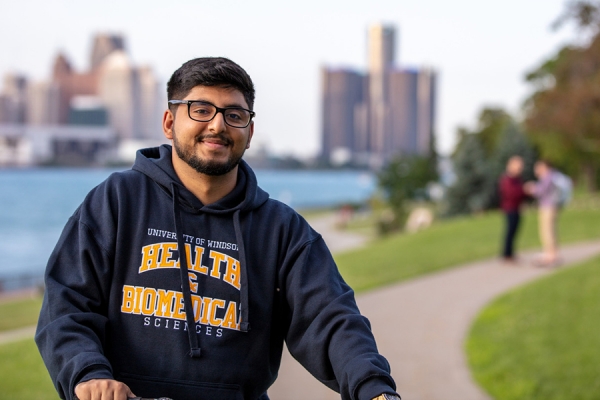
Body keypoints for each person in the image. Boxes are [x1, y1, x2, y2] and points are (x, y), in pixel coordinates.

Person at [35, 57, 400, 400]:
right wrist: (87, 374)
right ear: (169, 122)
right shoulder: (117, 200)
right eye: (201, 110)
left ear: (249, 130)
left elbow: (331, 319)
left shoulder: (282, 230)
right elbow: (67, 304)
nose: (218, 125)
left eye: (234, 114)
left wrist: (374, 389)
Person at [525, 160, 560, 266]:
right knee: (549, 230)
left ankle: (551, 254)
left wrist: (531, 188)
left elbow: (541, 191)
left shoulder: (547, 176)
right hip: (549, 206)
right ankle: (551, 252)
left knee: (547, 230)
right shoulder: (550, 176)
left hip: (548, 207)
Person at [498, 156, 527, 263]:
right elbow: (511, 193)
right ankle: (507, 254)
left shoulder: (517, 179)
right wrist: (524, 191)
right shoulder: (507, 179)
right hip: (510, 208)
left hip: (517, 208)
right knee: (510, 231)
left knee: (514, 231)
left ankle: (511, 253)